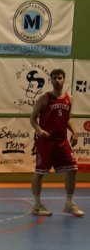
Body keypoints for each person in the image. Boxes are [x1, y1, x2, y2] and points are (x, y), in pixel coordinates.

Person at [29, 68, 84, 217]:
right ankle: (37, 204)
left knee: (73, 169)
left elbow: (69, 119)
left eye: (60, 77)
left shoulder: (68, 98)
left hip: (62, 141)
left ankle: (69, 203)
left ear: (64, 79)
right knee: (40, 173)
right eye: (54, 78)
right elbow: (33, 118)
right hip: (46, 141)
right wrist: (40, 130)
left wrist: (74, 131)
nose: (57, 80)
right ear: (51, 81)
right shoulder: (44, 98)